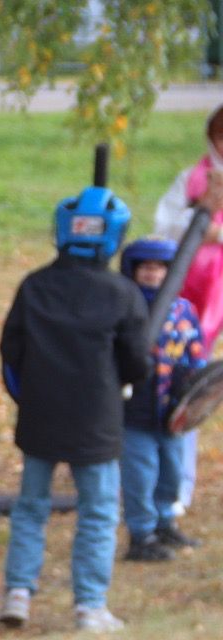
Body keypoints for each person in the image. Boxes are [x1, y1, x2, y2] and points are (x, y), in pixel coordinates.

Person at [0, 186, 149, 633]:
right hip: (96, 421)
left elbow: (11, 350)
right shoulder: (122, 293)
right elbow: (137, 361)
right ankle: (90, 606)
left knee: (31, 506)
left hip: (40, 416)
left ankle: (18, 593)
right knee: (99, 510)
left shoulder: (35, 285)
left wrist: (28, 396)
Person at [151, 103, 223, 514]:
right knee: (189, 386)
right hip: (195, 297)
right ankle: (176, 489)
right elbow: (165, 227)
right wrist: (202, 225)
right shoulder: (193, 180)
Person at [117, 237, 207, 563]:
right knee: (141, 475)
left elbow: (196, 356)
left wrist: (195, 394)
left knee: (171, 470)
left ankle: (165, 522)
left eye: (159, 269)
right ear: (132, 270)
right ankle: (142, 534)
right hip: (134, 413)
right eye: (146, 268)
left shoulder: (184, 311)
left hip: (173, 412)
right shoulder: (124, 310)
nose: (153, 274)